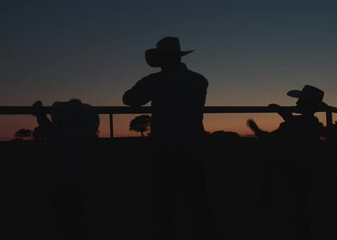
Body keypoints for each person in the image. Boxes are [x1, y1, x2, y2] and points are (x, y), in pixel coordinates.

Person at [122, 36, 218, 240]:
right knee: (198, 201)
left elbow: (130, 99)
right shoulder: (199, 80)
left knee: (164, 204)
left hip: (165, 149)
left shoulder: (155, 81)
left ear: (162, 58)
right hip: (194, 147)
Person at [247, 85, 326, 240]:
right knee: (299, 203)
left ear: (306, 105)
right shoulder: (313, 123)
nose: (296, 103)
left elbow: (272, 138)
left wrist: (256, 129)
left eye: (300, 101)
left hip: (295, 166)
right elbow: (299, 127)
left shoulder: (298, 123)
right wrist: (284, 115)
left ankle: (267, 204)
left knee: (296, 205)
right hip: (305, 166)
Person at [31, 99, 99, 240]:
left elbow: (44, 123)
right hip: (80, 182)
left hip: (60, 182)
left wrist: (39, 112)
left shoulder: (57, 137)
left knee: (62, 216)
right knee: (77, 215)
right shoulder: (88, 139)